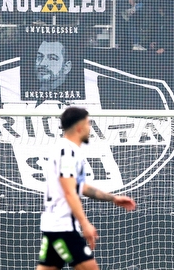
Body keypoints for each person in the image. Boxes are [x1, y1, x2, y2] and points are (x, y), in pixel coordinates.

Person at [37, 107, 136, 270]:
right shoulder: (66, 152)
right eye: (88, 123)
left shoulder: (69, 151)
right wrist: (85, 224)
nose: (90, 128)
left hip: (55, 226)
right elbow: (69, 192)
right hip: (63, 227)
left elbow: (80, 187)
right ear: (79, 127)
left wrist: (113, 198)